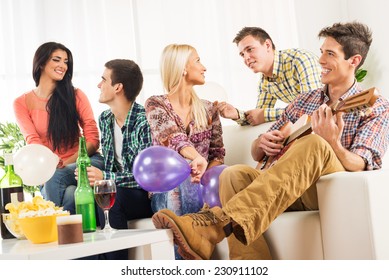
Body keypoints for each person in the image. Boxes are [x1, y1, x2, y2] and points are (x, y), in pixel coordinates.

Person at [152, 21, 389, 260]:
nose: (320, 61)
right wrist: (262, 142)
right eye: (321, 53)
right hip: (281, 184)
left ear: (354, 61)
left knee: (316, 144)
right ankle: (250, 265)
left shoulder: (375, 107)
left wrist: (333, 143)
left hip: (321, 187)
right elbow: (258, 153)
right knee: (231, 176)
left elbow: (361, 163)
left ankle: (215, 225)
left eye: (330, 54)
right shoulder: (304, 100)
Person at [144, 44, 225, 259]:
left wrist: (205, 174)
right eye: (198, 60)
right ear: (182, 68)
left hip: (203, 187)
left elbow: (217, 154)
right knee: (182, 183)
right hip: (166, 189)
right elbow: (172, 137)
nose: (204, 67)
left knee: (191, 183)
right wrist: (196, 158)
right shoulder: (155, 104)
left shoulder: (209, 109)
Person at [13, 42, 103, 214]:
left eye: (66, 62)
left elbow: (92, 139)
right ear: (41, 63)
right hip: (49, 170)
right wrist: (49, 166)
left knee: (55, 177)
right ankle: (70, 234)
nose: (63, 65)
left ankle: (51, 228)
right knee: (70, 195)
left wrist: (62, 164)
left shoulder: (75, 95)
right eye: (57, 60)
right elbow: (33, 142)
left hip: (84, 161)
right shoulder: (21, 103)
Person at [83, 59, 153, 259]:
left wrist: (105, 178)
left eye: (103, 80)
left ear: (118, 87)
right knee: (79, 197)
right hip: (118, 188)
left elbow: (144, 178)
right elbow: (110, 165)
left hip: (140, 195)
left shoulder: (144, 121)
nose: (99, 85)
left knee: (111, 196)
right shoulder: (105, 119)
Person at [218, 26, 322, 126]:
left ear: (267, 45)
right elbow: (256, 116)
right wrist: (236, 114)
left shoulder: (300, 60)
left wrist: (265, 115)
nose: (246, 58)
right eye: (242, 54)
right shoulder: (265, 82)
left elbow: (313, 108)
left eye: (249, 49)